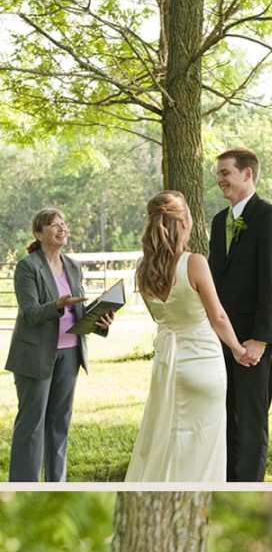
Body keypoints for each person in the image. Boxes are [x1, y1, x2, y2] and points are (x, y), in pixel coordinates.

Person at [125, 191, 247, 482]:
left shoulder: (143, 270)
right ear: (182, 223)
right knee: (205, 440)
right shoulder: (194, 262)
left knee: (168, 436)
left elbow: (158, 317)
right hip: (203, 362)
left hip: (168, 364)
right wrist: (237, 349)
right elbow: (217, 316)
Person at [4, 208, 114, 482]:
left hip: (70, 353)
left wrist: (101, 321)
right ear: (39, 234)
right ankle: (25, 486)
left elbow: (79, 310)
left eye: (63, 223)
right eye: (54, 225)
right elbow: (30, 312)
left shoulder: (73, 266)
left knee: (59, 423)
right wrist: (56, 305)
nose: (61, 228)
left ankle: (57, 484)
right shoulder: (28, 267)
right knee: (32, 425)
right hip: (35, 355)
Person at [208, 146, 272, 482]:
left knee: (252, 421)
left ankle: (249, 483)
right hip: (222, 339)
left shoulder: (269, 218)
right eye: (219, 174)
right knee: (224, 416)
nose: (220, 179)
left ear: (247, 173)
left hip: (255, 340)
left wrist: (258, 340)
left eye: (225, 172)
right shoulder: (217, 222)